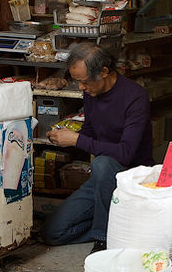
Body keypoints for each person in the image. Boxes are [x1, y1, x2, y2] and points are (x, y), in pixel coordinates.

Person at [41, 42, 153, 253]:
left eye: (84, 82)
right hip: (103, 180)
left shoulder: (135, 97)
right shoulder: (91, 93)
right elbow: (91, 131)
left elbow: (126, 153)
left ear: (103, 72)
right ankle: (116, 230)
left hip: (132, 177)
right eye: (78, 82)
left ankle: (102, 240)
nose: (81, 88)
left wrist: (76, 140)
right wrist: (64, 134)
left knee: (102, 163)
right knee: (52, 233)